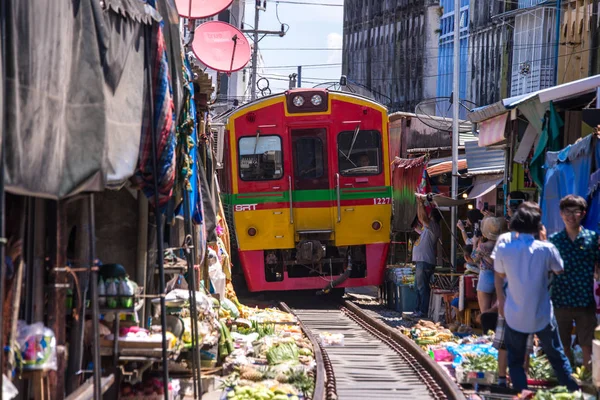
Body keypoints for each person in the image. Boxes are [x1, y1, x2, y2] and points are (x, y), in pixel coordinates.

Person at [493, 202, 578, 392]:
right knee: (556, 357)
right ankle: (573, 390)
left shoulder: (504, 248)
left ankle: (521, 392)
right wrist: (545, 239)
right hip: (542, 314)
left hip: (514, 314)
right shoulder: (545, 249)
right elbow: (559, 269)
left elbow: (499, 275)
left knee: (515, 360)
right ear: (537, 225)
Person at [549, 195, 600, 368]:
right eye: (567, 211)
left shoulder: (593, 239)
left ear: (583, 213)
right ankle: (565, 378)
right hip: (560, 299)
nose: (571, 216)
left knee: (587, 343)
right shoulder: (554, 241)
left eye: (576, 211)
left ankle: (587, 380)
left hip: (585, 300)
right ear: (561, 214)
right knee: (562, 344)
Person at [413, 194, 442, 318]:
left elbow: (423, 218)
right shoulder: (427, 228)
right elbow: (421, 218)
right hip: (422, 261)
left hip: (425, 261)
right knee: (419, 287)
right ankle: (418, 309)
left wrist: (421, 204)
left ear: (432, 217)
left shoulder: (433, 226)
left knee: (422, 287)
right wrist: (419, 203)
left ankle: (422, 311)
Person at [470, 217, 506, 314]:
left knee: (485, 312)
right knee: (496, 312)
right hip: (500, 278)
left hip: (486, 278)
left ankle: (486, 329)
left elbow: (473, 257)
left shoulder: (483, 246)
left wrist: (475, 243)